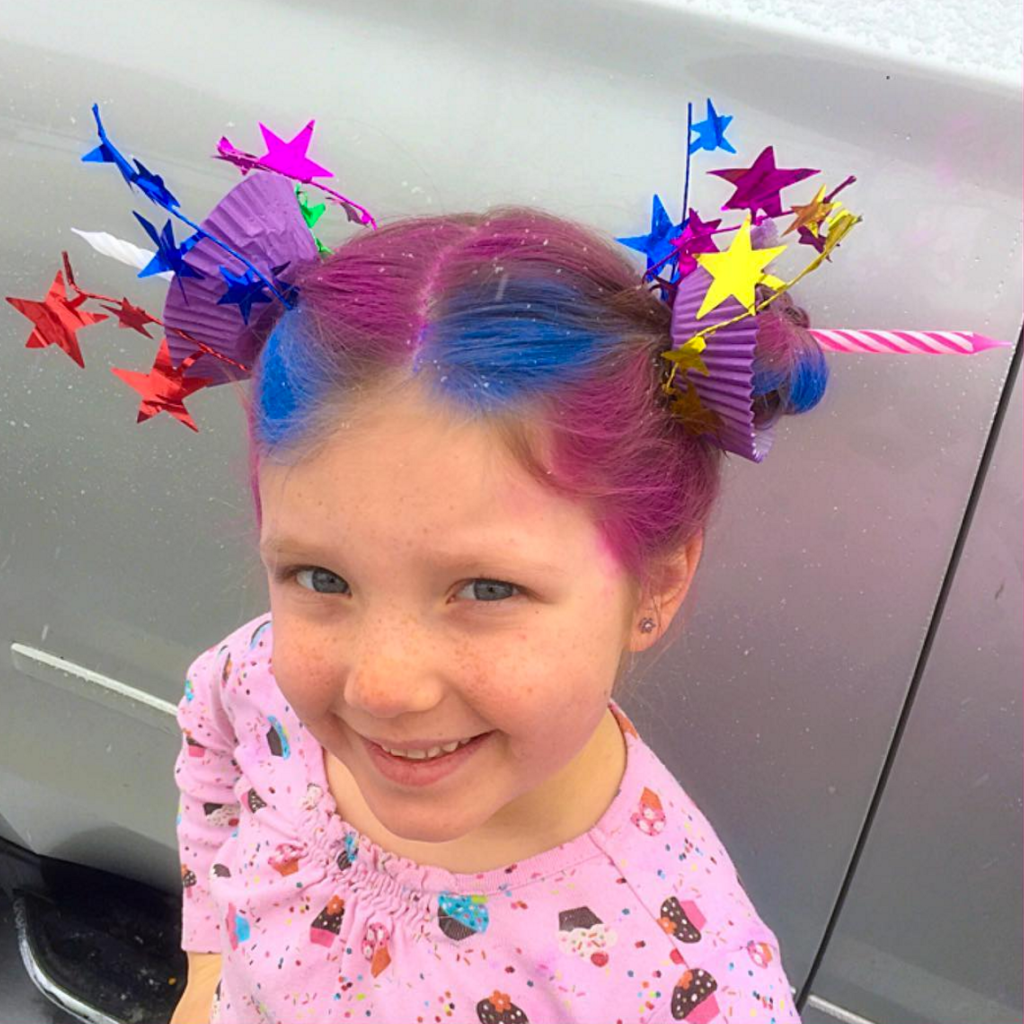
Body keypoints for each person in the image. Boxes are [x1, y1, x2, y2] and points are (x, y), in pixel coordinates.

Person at [7, 103, 1001, 1024]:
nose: (382, 686)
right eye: (321, 578)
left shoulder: (674, 975)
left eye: (486, 587)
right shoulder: (259, 681)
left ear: (653, 582)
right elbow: (213, 754)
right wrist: (209, 977)